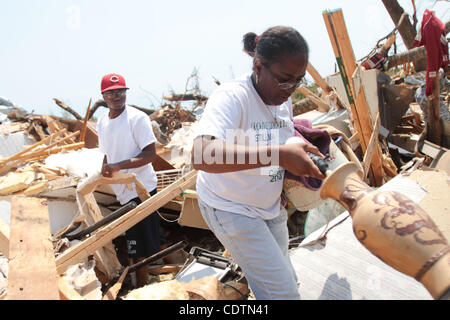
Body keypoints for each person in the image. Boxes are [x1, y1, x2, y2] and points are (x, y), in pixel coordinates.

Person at [191, 26, 325, 300]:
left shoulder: (281, 98)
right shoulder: (232, 97)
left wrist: (295, 157)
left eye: (298, 81)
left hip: (269, 207)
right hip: (231, 207)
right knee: (283, 294)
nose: (291, 90)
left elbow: (278, 142)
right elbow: (201, 154)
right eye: (285, 80)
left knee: (288, 281)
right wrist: (277, 155)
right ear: (258, 66)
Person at [96, 73, 162, 288]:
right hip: (123, 192)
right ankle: (140, 283)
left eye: (120, 91)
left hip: (142, 189)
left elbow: (150, 155)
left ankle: (142, 288)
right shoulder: (102, 121)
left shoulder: (137, 118)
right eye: (111, 92)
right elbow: (106, 153)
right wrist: (106, 166)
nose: (116, 96)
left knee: (141, 247)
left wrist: (118, 165)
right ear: (103, 96)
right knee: (135, 243)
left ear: (125, 92)